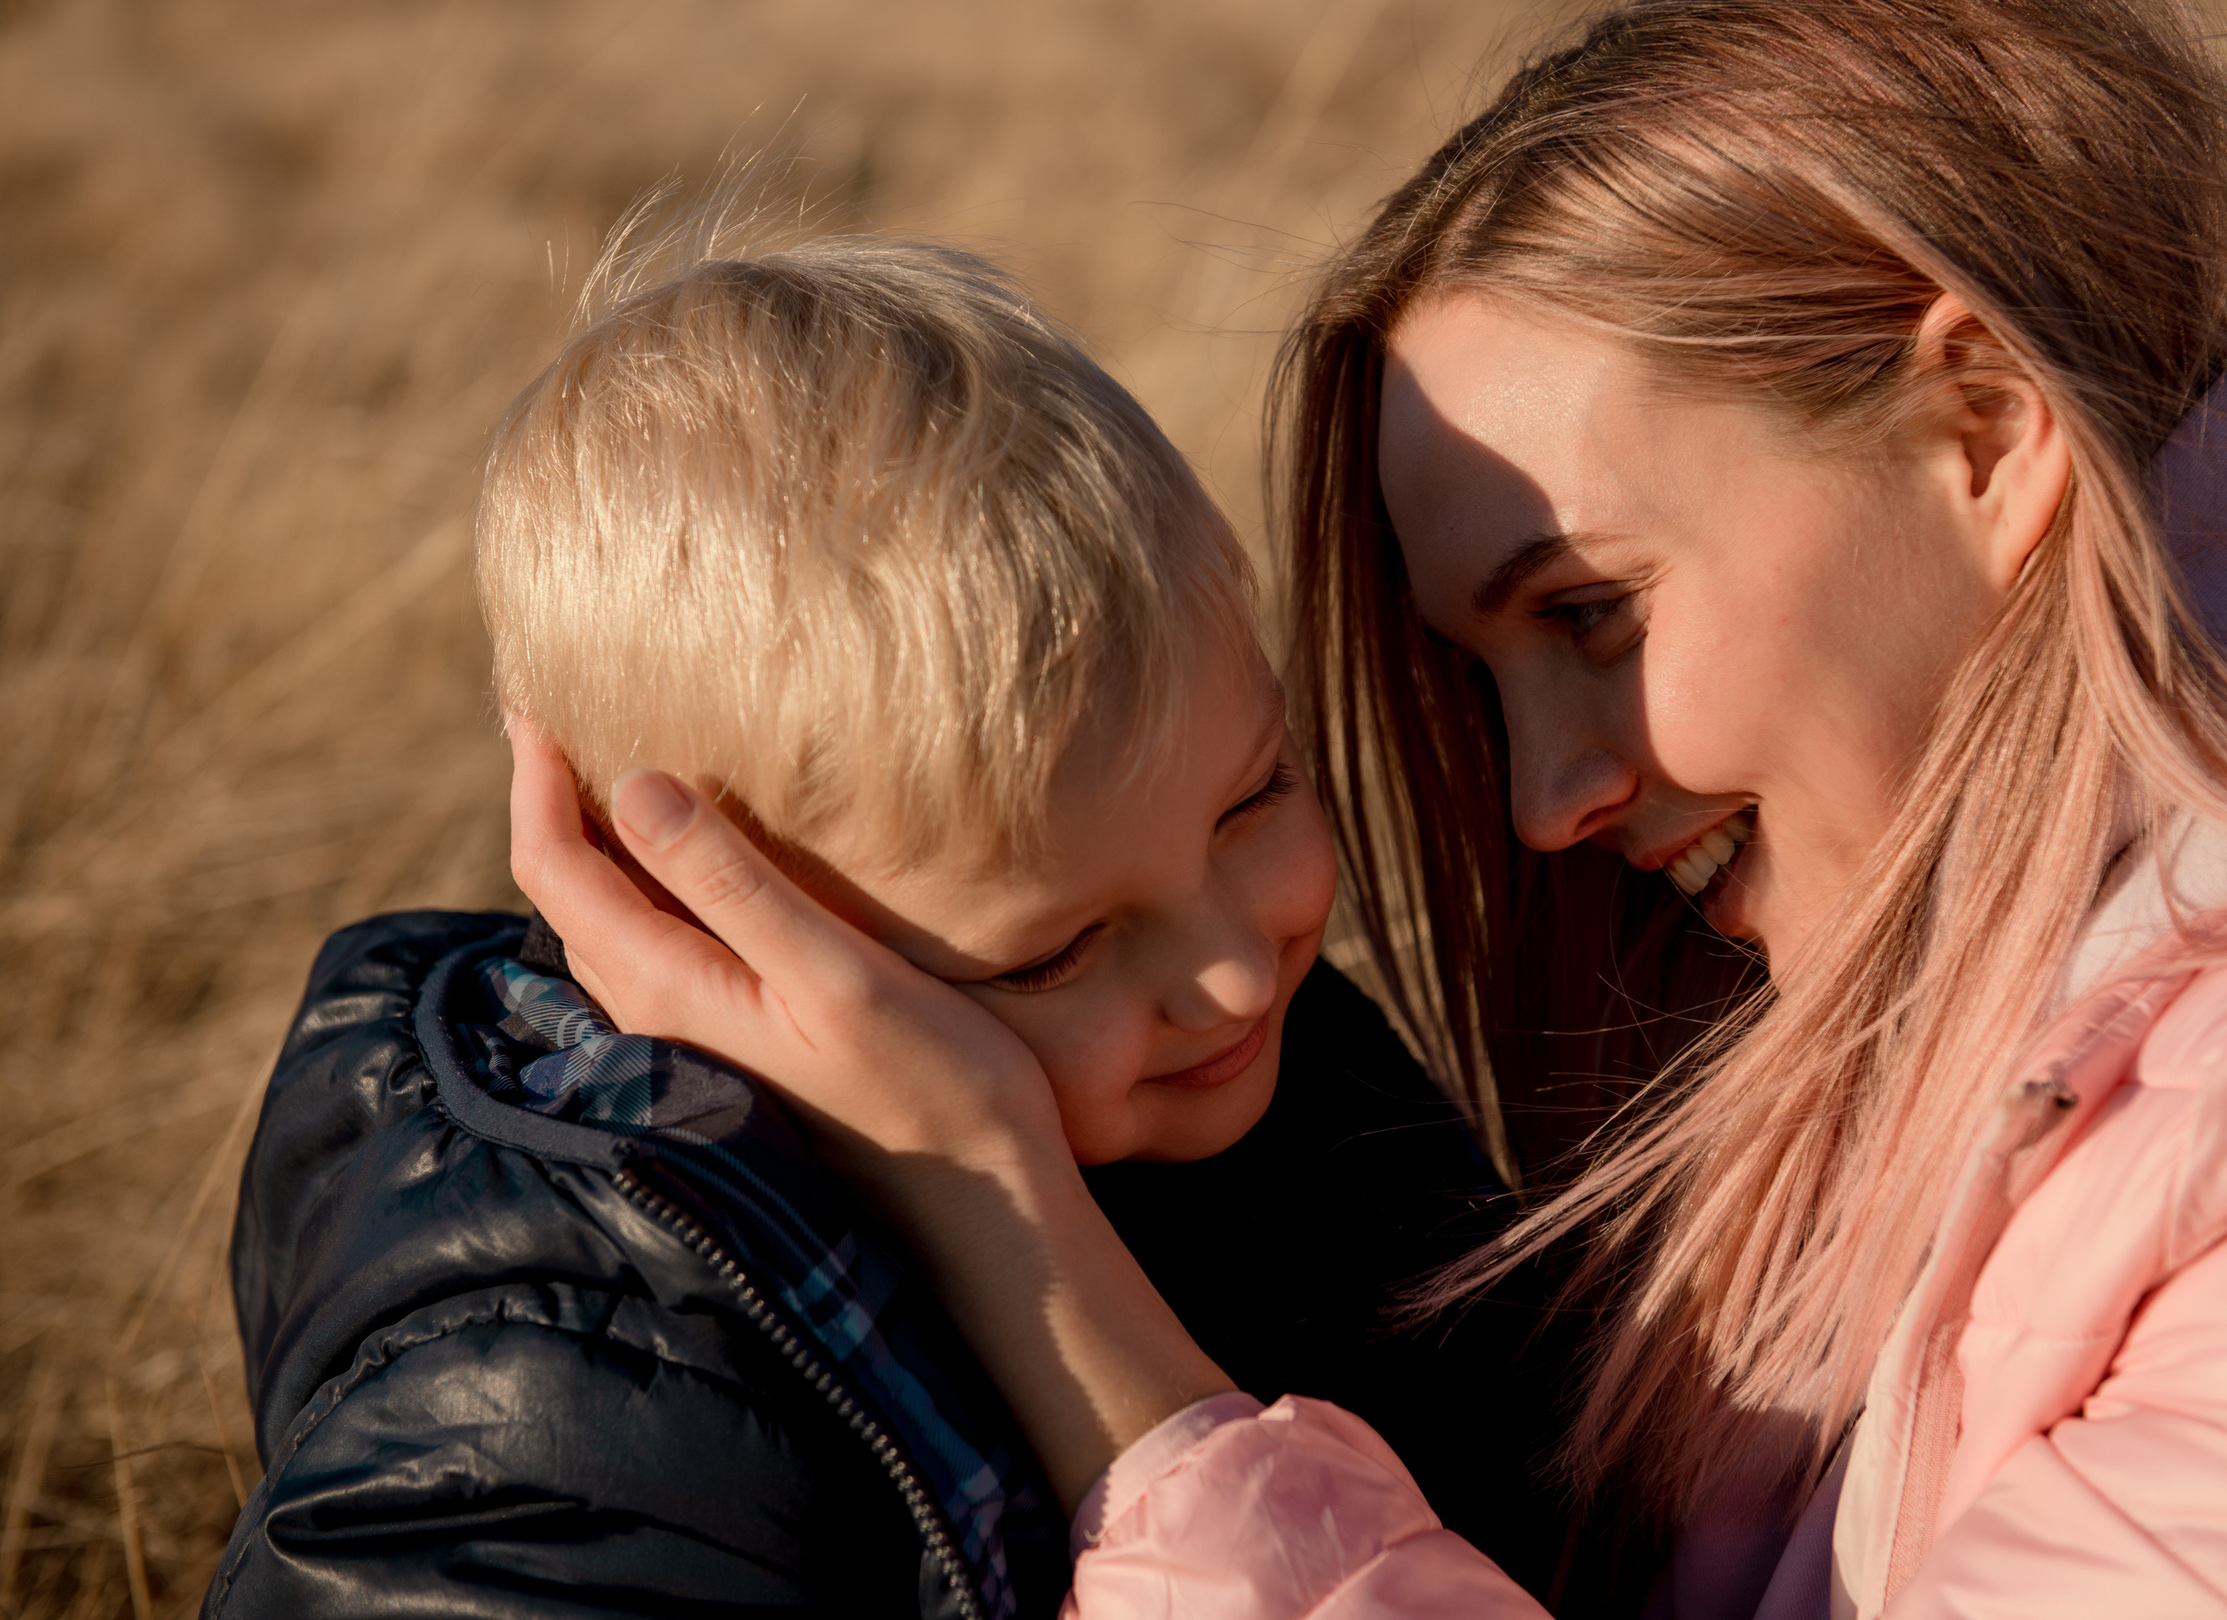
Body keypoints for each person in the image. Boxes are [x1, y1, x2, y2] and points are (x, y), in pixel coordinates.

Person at [508, 0, 2227, 1615]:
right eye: (1468, 673)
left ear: (1980, 428)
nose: (1537, 798)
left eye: (1586, 612)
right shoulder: (1914, 972)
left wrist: (1022, 1257)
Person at [207, 232, 1581, 1618]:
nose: (1231, 971)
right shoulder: (566, 1389)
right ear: (700, 936)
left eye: (1255, 798)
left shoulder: (1283, 1094)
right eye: (1054, 952)